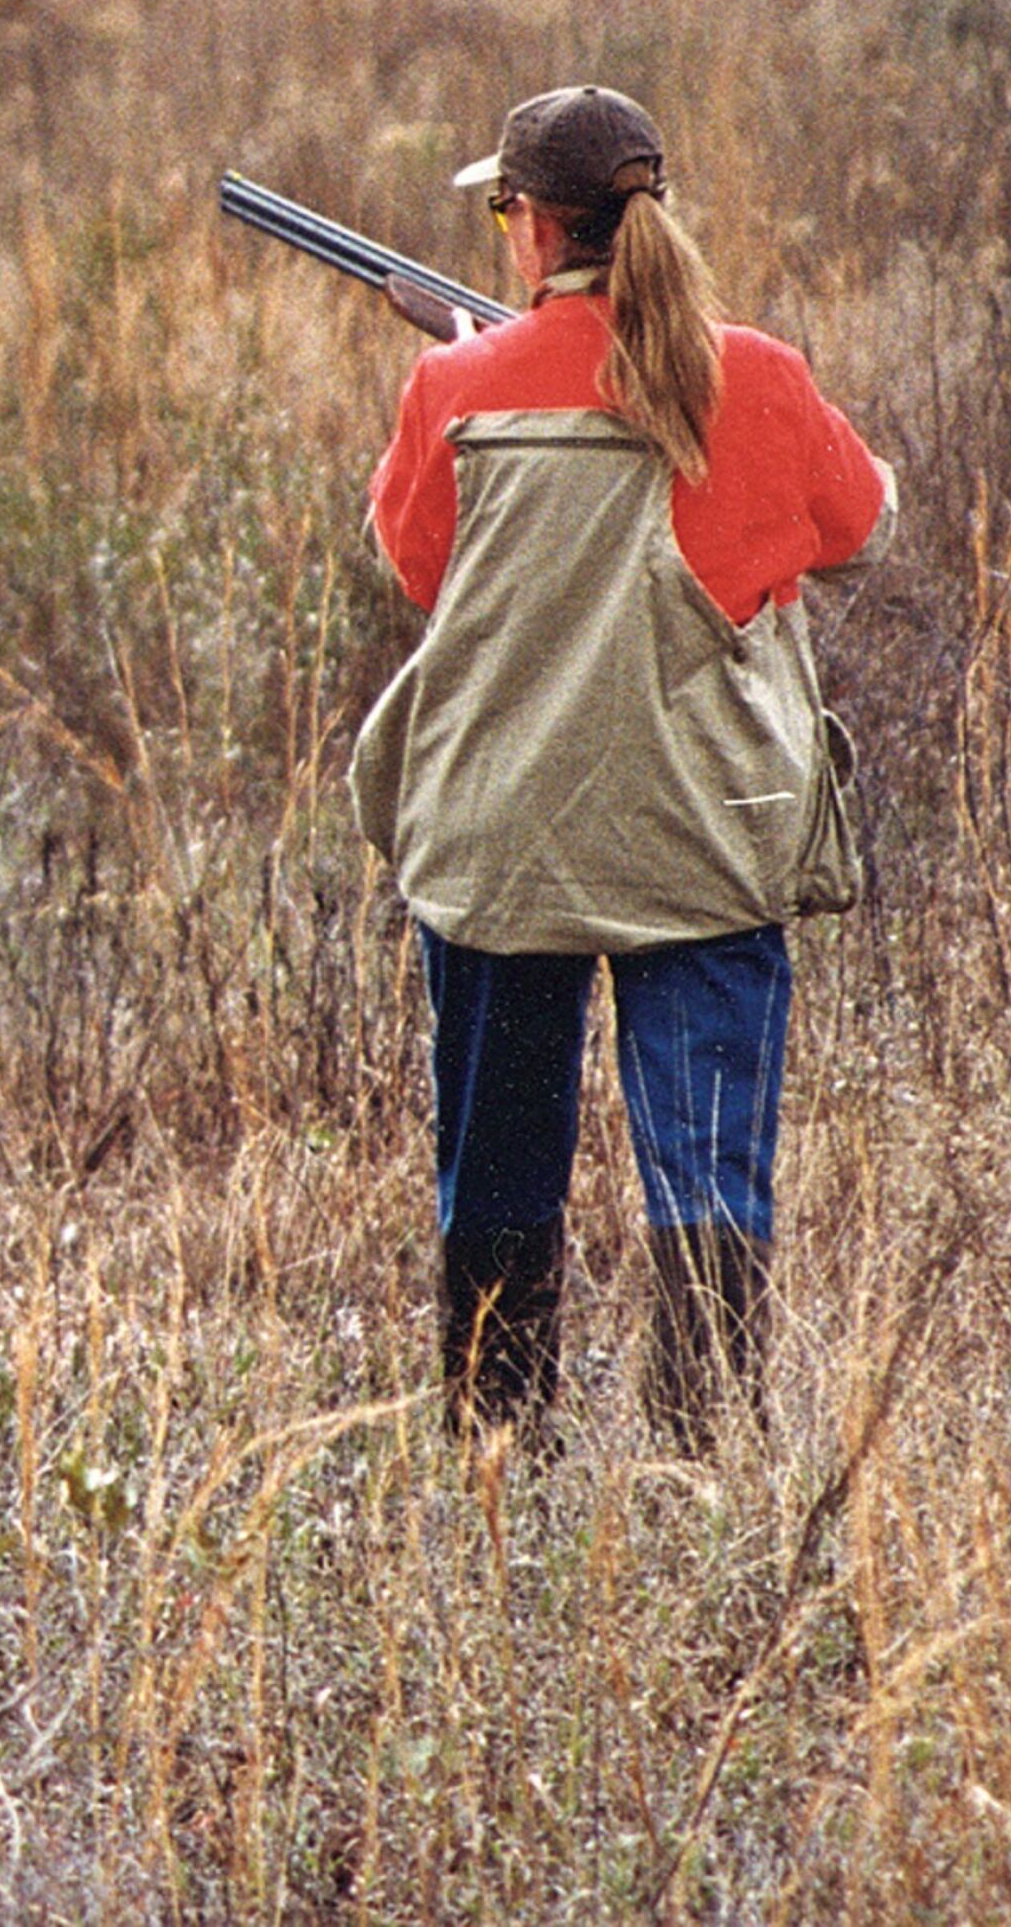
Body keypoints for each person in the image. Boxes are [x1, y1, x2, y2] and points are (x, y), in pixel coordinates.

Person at [353, 86, 895, 1454]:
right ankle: (709, 1453)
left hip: (505, 842)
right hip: (705, 832)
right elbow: (861, 526)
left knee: (498, 1167)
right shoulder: (754, 376)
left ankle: (498, 1447)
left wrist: (485, 375)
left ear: (534, 228)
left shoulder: (453, 390)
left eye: (503, 209)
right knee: (709, 1168)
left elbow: (418, 568)